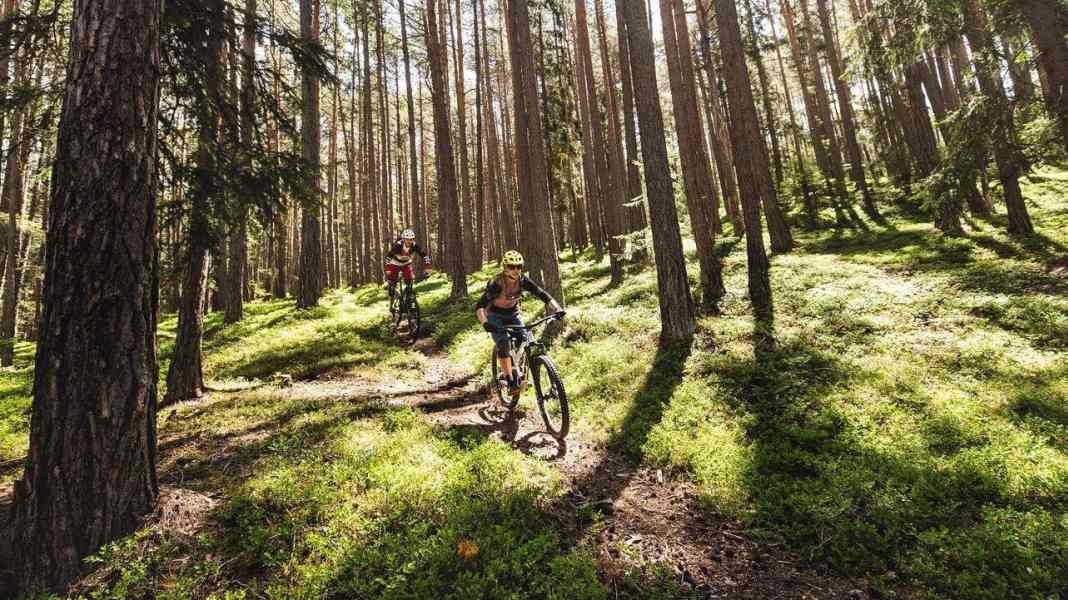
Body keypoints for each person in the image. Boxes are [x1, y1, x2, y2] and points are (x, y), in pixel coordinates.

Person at [476, 250, 564, 398]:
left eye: (518, 266)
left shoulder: (523, 280)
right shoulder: (496, 283)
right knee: (503, 344)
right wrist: (485, 323)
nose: (515, 270)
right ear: (505, 267)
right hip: (494, 316)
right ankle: (510, 381)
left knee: (526, 339)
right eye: (512, 266)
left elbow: (542, 294)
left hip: (512, 314)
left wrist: (557, 308)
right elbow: (479, 306)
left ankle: (524, 371)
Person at [384, 229, 432, 311]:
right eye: (407, 239)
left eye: (412, 239)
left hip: (406, 264)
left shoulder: (414, 245)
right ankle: (391, 306)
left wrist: (428, 268)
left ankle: (410, 303)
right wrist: (388, 269)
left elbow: (425, 256)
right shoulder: (397, 246)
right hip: (394, 264)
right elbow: (388, 258)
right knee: (392, 287)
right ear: (403, 239)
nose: (410, 241)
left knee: (409, 283)